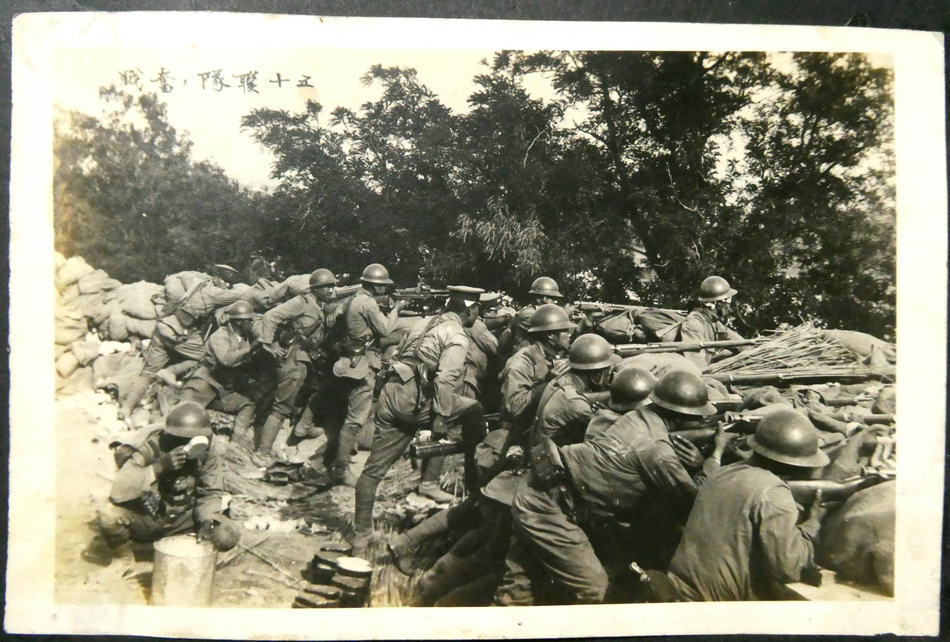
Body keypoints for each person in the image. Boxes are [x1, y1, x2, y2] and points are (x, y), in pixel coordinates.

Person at [494, 369, 727, 605]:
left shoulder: (636, 418)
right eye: (697, 417)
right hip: (550, 507)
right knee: (596, 593)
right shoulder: (657, 452)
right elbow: (694, 504)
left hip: (538, 488)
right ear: (677, 417)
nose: (701, 420)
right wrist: (713, 458)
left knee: (518, 590)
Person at [351, 286, 487, 556]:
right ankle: (474, 491)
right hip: (412, 400)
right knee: (474, 411)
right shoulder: (457, 336)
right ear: (469, 309)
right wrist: (441, 419)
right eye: (477, 309)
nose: (477, 314)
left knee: (372, 471)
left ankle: (360, 536)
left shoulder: (425, 321)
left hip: (391, 391)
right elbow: (446, 379)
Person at [665, 408, 830, 601]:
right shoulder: (774, 493)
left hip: (678, 590)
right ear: (794, 464)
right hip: (715, 610)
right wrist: (813, 524)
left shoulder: (722, 473)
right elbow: (789, 567)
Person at [82, 401, 241, 566]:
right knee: (109, 514)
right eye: (182, 439)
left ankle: (186, 548)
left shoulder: (209, 450)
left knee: (227, 534)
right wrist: (158, 467)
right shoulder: (153, 444)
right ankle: (124, 559)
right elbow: (119, 490)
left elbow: (211, 492)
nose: (189, 444)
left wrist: (206, 521)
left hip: (184, 519)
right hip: (151, 515)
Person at [327, 263, 405, 485]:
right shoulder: (368, 303)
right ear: (374, 286)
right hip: (362, 365)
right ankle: (340, 471)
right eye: (382, 286)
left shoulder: (353, 299)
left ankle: (341, 461)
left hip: (348, 362)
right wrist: (396, 308)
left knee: (348, 415)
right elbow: (385, 330)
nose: (384, 290)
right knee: (354, 420)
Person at [255, 268, 337, 459]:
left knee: (321, 389)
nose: (332, 291)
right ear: (316, 289)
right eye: (327, 287)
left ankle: (304, 426)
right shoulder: (301, 302)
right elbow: (270, 316)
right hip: (294, 360)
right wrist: (268, 344)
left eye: (333, 287)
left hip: (305, 359)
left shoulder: (319, 305)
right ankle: (262, 452)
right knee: (282, 407)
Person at [496, 304, 574, 461]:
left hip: (545, 428)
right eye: (565, 331)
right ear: (551, 336)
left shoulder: (552, 356)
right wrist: (548, 384)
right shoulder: (522, 362)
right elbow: (515, 407)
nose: (570, 335)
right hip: (521, 435)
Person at [179, 300, 261, 446]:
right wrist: (250, 349)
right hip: (205, 383)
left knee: (248, 404)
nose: (252, 322)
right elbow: (226, 360)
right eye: (249, 320)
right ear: (240, 322)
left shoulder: (245, 338)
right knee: (184, 417)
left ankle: (235, 445)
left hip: (223, 389)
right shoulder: (220, 336)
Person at [530, 333, 616, 447]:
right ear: (596, 374)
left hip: (542, 450)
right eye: (608, 372)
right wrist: (611, 415)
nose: (610, 377)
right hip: (552, 461)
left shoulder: (561, 380)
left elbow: (583, 396)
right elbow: (610, 438)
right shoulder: (576, 405)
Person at [679, 275, 746, 368]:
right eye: (727, 303)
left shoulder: (713, 322)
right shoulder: (694, 323)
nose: (729, 307)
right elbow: (696, 362)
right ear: (717, 304)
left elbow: (738, 342)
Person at [498, 276, 566, 361]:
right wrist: (565, 315)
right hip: (524, 359)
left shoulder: (538, 312)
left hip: (536, 356)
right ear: (540, 299)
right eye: (552, 298)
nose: (555, 302)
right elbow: (550, 329)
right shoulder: (529, 314)